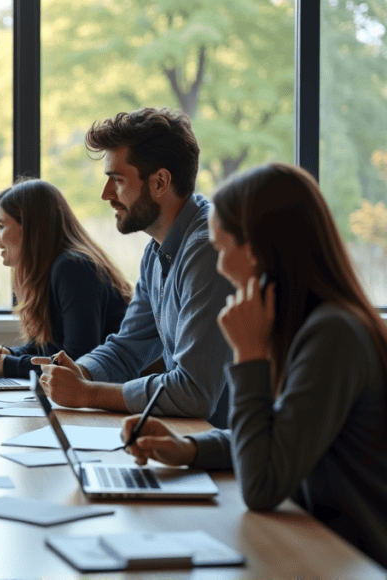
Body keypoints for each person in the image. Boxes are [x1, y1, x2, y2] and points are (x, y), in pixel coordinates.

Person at [120, 163, 387, 567]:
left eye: (223, 248)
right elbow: (279, 437)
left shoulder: (334, 335)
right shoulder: (307, 326)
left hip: (350, 558)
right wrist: (188, 448)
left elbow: (262, 483)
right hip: (314, 543)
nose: (222, 266)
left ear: (262, 252)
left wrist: (248, 356)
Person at [34, 107, 233, 425]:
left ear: (160, 182)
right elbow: (128, 347)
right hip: (191, 440)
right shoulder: (156, 252)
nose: (106, 194)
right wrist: (79, 371)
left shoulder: (209, 251)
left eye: (117, 180)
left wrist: (87, 393)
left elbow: (193, 393)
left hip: (229, 458)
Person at [0, 178, 131, 379]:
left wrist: (10, 365)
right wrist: (10, 354)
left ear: (30, 228)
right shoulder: (59, 267)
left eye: (1, 226)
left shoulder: (73, 268)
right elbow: (53, 348)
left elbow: (75, 363)